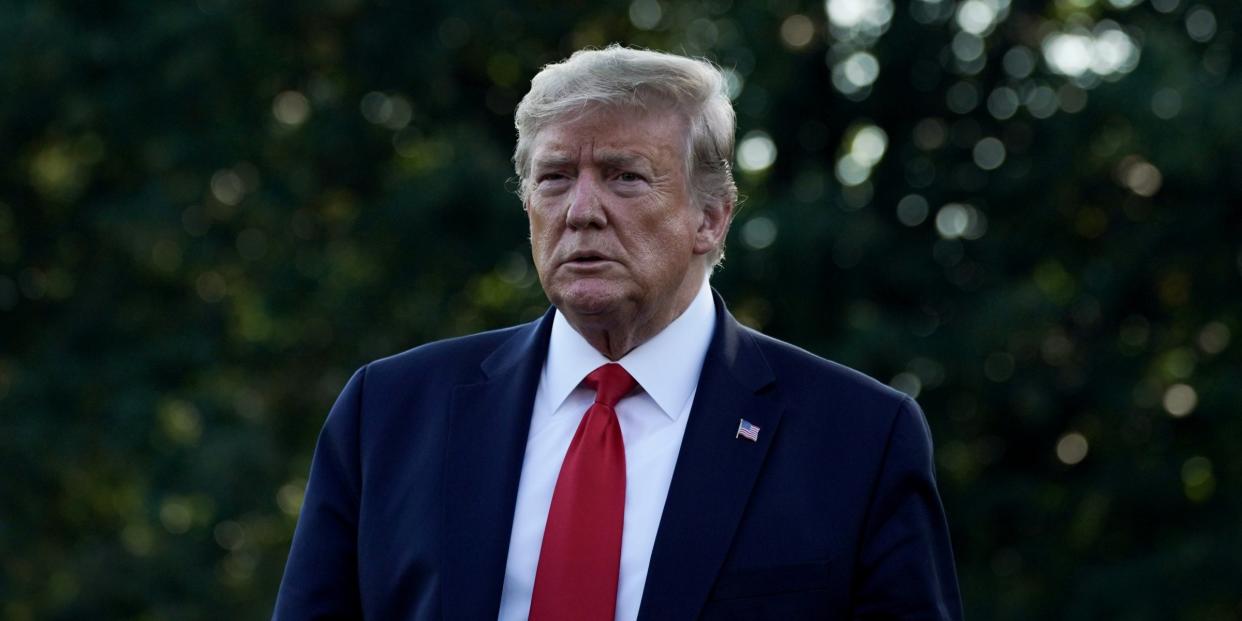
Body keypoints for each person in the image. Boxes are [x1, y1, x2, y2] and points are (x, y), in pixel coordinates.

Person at [273, 45, 962, 620]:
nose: (581, 211)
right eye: (554, 178)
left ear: (712, 218)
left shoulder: (858, 436)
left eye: (624, 177)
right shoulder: (388, 411)